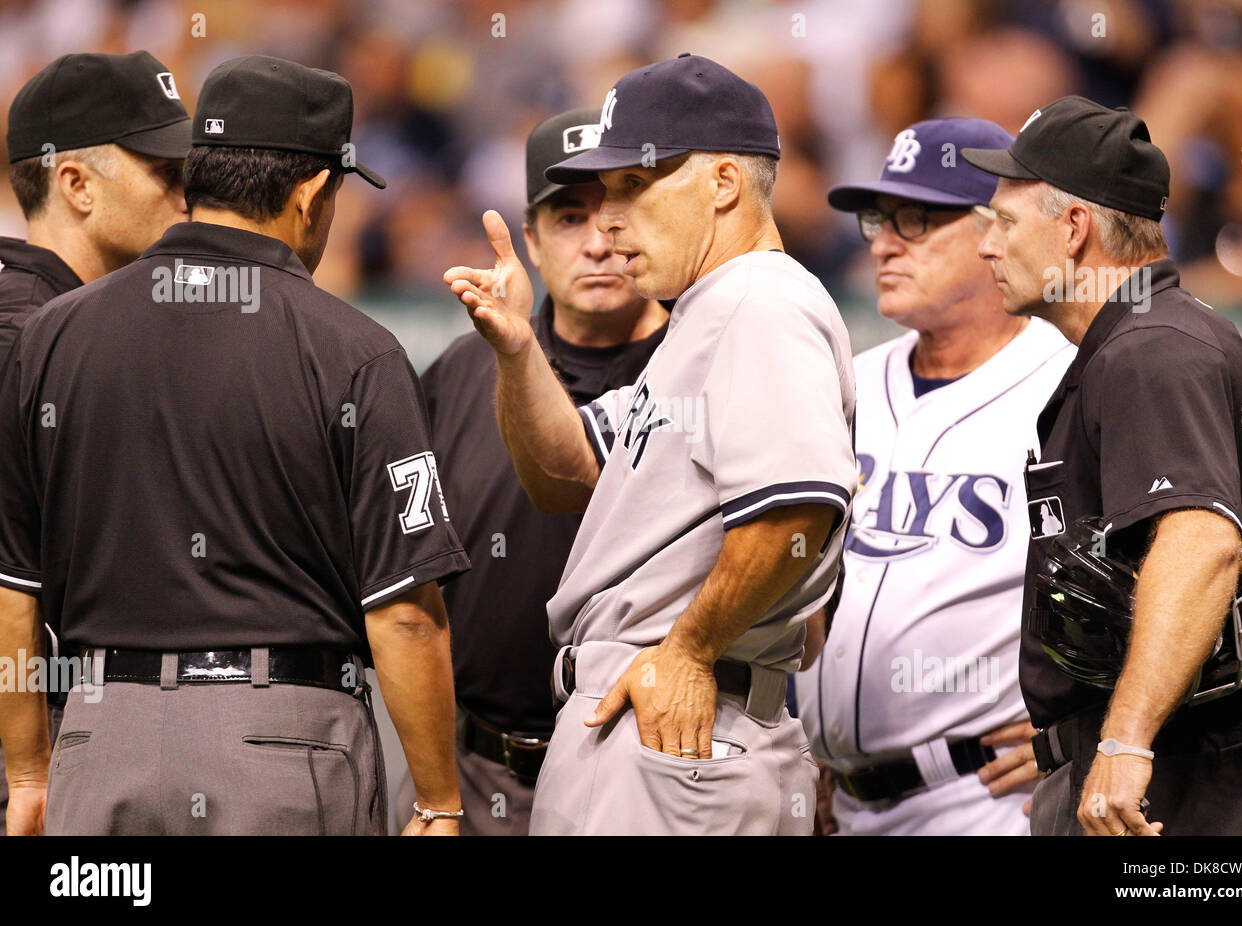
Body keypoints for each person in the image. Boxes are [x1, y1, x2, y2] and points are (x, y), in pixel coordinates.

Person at [0, 55, 468, 836]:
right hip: (281, 747)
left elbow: (14, 587)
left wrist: (26, 771)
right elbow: (407, 616)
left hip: (97, 739)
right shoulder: (355, 349)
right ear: (313, 192)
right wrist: (440, 801)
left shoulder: (52, 335)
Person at [444, 53, 857, 836]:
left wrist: (691, 650)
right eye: (599, 197)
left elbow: (798, 515)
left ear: (723, 183)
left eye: (635, 186)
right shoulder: (704, 315)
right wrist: (516, 352)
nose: (609, 220)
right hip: (654, 724)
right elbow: (568, 476)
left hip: (684, 724)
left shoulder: (760, 302)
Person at [962, 95, 1242, 835]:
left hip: (1193, 782)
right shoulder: (1139, 343)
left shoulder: (1153, 351)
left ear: (1075, 227)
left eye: (1005, 223)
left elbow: (1199, 542)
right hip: (1165, 770)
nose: (986, 247)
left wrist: (1122, 739)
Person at [387, 108, 667, 835]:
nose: (599, 243)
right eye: (570, 219)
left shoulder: (702, 366)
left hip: (651, 772)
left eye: (617, 214)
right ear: (533, 240)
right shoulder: (458, 373)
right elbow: (405, 575)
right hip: (482, 777)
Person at [796, 118, 1075, 836]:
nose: (884, 243)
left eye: (916, 221)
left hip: (985, 801)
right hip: (838, 800)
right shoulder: (845, 384)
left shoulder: (1070, 383)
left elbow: (1180, 571)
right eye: (878, 220)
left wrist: (1094, 727)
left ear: (997, 233)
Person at [0, 49, 191, 837]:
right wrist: (29, 771)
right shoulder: (30, 334)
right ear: (75, 183)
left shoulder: (50, 317)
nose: (188, 198)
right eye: (164, 173)